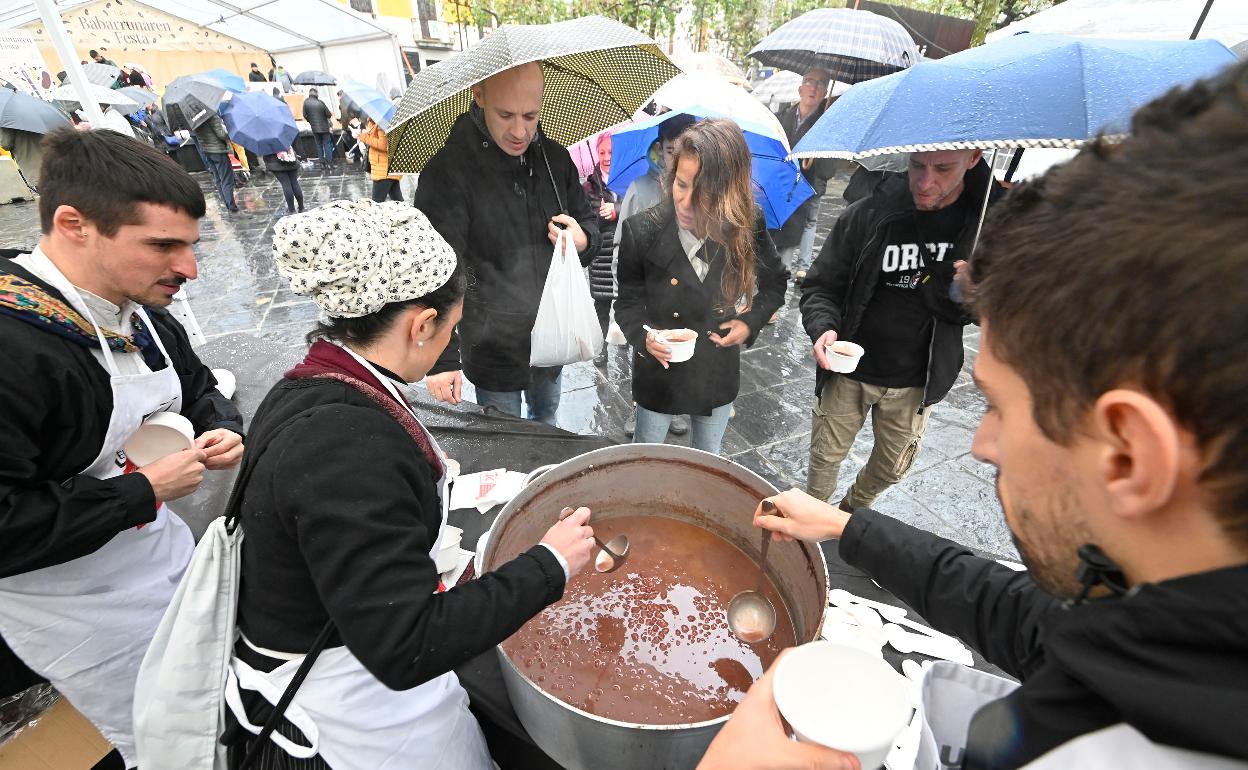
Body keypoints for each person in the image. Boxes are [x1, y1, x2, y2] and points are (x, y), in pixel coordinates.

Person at [723, 60, 1248, 769]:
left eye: (999, 405)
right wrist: (849, 529)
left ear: (1129, 452)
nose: (979, 443)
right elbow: (1037, 622)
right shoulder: (1163, 630)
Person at [221, 199, 596, 769]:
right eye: (452, 326)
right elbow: (406, 644)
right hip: (343, 710)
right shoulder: (343, 447)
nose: (451, 339)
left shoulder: (320, 379)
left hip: (341, 644)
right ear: (422, 325)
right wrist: (550, 563)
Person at [0, 127, 244, 768]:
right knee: (167, 736)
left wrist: (224, 425)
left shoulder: (142, 311)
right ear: (74, 224)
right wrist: (142, 491)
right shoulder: (15, 349)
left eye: (190, 245)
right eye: (163, 245)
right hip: (77, 607)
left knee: (220, 702)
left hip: (163, 553)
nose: (188, 270)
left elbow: (199, 388)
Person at [800, 148, 1001, 510]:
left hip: (917, 381)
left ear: (972, 159)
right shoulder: (868, 215)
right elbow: (821, 286)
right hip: (849, 371)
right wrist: (824, 328)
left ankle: (850, 514)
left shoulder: (983, 231)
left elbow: (995, 315)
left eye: (942, 168)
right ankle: (809, 517)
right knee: (825, 457)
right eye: (917, 166)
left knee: (893, 467)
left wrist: (978, 290)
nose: (925, 182)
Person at [414, 62, 599, 426]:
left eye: (531, 115)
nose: (520, 131)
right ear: (478, 94)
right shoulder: (448, 171)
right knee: (503, 435)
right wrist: (443, 359)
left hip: (553, 332)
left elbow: (587, 222)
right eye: (506, 114)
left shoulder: (555, 159)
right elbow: (433, 268)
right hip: (491, 343)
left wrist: (583, 239)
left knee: (547, 418)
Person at [615, 119, 788, 454]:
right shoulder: (642, 231)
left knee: (706, 463)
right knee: (646, 459)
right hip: (659, 371)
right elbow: (626, 305)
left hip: (716, 368)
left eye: (705, 193)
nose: (686, 203)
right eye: (681, 184)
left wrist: (748, 323)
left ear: (729, 192)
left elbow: (776, 282)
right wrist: (644, 337)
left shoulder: (746, 225)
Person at [613, 113, 697, 437]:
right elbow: (622, 242)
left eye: (685, 151)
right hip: (648, 300)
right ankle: (641, 406)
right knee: (648, 355)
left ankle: (677, 407)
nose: (675, 159)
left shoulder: (700, 194)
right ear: (660, 149)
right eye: (671, 150)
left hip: (683, 300)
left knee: (681, 351)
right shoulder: (640, 188)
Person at [772, 68, 838, 277]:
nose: (814, 87)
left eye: (820, 84)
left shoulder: (826, 124)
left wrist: (819, 155)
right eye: (810, 81)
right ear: (800, 89)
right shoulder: (784, 117)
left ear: (825, 91)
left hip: (808, 186)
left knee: (805, 222)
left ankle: (798, 266)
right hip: (782, 184)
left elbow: (829, 168)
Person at [582, 131, 617, 367]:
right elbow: (585, 220)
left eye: (611, 152)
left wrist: (619, 208)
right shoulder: (589, 187)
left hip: (626, 252)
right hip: (602, 256)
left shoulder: (627, 180)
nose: (606, 157)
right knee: (602, 304)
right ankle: (600, 347)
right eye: (602, 152)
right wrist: (602, 216)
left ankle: (628, 336)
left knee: (628, 301)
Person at [192, 113, 239, 213]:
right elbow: (222, 134)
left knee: (218, 178)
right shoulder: (211, 115)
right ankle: (231, 206)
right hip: (218, 151)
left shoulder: (193, 117)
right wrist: (228, 131)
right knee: (227, 179)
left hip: (206, 150)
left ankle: (227, 203)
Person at [359, 118, 402, 203]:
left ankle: (410, 215)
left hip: (383, 170)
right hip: (386, 168)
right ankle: (409, 215)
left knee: (376, 203)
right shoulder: (376, 121)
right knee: (398, 201)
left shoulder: (383, 122)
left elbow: (384, 144)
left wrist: (364, 137)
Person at [262, 144, 304, 214]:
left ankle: (292, 210)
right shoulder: (282, 134)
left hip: (275, 163)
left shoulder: (265, 139)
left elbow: (265, 155)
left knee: (286, 184)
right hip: (290, 158)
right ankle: (301, 207)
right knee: (294, 182)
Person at [302, 88, 334, 169]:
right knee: (327, 145)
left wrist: (311, 122)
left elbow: (305, 115)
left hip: (314, 129)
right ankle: (329, 163)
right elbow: (329, 114)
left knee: (319, 145)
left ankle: (322, 164)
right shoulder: (320, 103)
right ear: (316, 94)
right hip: (324, 128)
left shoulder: (306, 102)